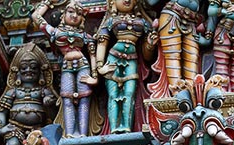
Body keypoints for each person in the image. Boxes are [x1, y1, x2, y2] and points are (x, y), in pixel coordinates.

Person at [32, 0, 97, 136]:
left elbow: (93, 55)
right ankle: (70, 133)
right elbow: (36, 17)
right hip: (66, 67)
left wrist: (95, 77)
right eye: (71, 12)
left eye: (79, 13)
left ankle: (83, 134)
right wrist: (48, 2)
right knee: (67, 99)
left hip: (83, 65)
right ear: (63, 15)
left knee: (84, 99)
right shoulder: (55, 32)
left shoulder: (85, 36)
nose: (74, 16)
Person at [0, 42, 57, 145]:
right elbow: (1, 109)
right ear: (17, 72)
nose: (29, 70)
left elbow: (53, 114)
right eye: (24, 67)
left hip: (38, 129)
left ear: (40, 72)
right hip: (15, 127)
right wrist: (1, 128)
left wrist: (48, 103)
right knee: (13, 144)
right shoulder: (13, 91)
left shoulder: (43, 90)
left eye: (33, 67)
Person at [96, 0, 157, 133]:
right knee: (113, 94)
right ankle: (114, 129)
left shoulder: (144, 23)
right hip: (113, 58)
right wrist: (100, 67)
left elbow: (147, 56)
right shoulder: (111, 21)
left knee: (129, 93)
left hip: (132, 60)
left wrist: (150, 45)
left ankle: (126, 127)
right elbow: (102, 43)